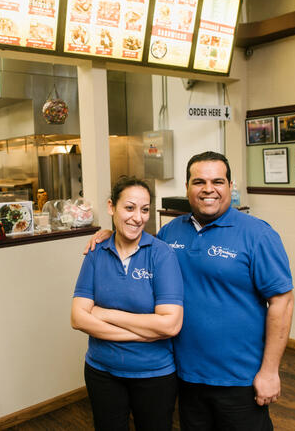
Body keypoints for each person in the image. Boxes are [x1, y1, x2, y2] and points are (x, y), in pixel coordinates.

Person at [86, 152, 294, 430]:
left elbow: (283, 302)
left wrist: (269, 372)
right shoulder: (170, 233)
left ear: (230, 186)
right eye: (199, 182)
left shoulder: (257, 234)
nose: (208, 189)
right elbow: (135, 247)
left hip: (238, 378)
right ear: (187, 188)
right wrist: (108, 235)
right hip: (184, 375)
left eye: (217, 181)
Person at [71, 176, 184, 431]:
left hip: (154, 375)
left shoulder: (161, 254)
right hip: (102, 373)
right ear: (112, 207)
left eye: (144, 210)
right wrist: (145, 333)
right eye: (129, 208)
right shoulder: (96, 252)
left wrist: (104, 314)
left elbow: (170, 325)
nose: (138, 217)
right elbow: (78, 318)